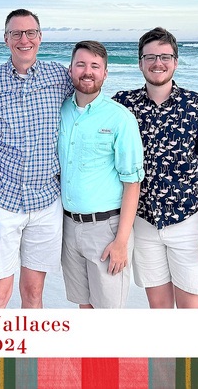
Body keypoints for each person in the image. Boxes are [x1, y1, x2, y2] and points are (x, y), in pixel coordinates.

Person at [0, 9, 74, 308]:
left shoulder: (59, 77)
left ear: (40, 37)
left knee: (33, 293)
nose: (23, 39)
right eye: (16, 33)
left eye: (30, 33)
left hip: (46, 201)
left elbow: (87, 105)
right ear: (5, 39)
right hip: (5, 201)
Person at [112, 27, 198, 309]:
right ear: (139, 63)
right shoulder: (123, 105)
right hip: (144, 222)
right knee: (159, 311)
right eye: (150, 57)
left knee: (191, 310)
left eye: (164, 56)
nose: (157, 63)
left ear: (175, 61)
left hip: (188, 222)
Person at [59, 41, 144, 309]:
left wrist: (121, 241)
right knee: (84, 307)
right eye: (81, 64)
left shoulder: (120, 119)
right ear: (71, 69)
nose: (88, 71)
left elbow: (132, 182)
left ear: (105, 73)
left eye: (95, 66)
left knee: (107, 315)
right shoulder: (60, 111)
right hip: (68, 227)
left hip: (106, 230)